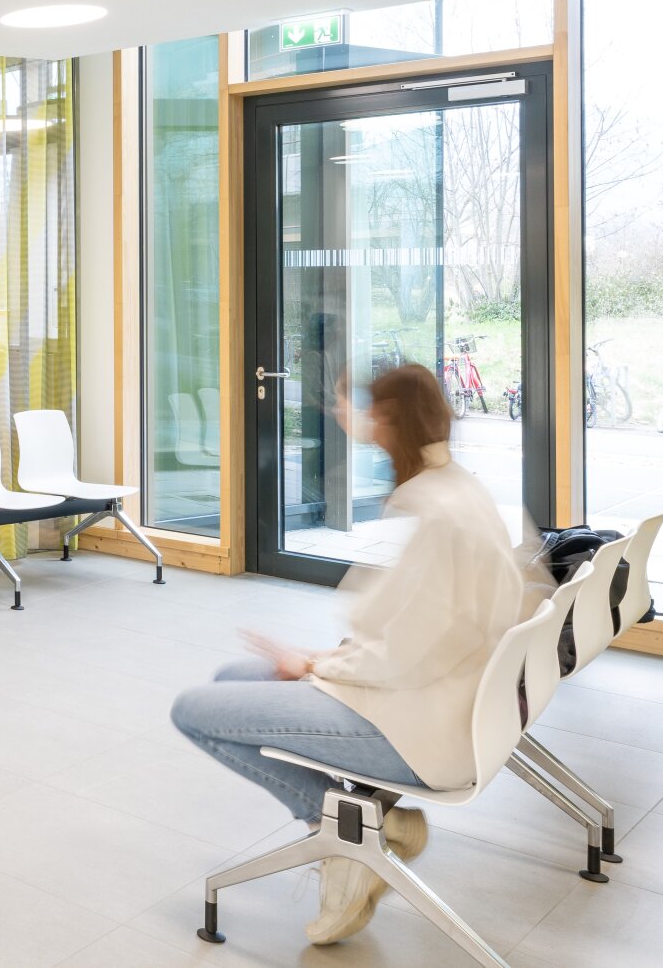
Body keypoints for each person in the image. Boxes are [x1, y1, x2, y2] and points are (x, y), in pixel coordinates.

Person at [169, 364, 527, 945]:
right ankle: (371, 820)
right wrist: (319, 659)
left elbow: (406, 654)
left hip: (419, 727)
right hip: (445, 703)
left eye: (357, 408)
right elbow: (416, 634)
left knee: (193, 708)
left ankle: (346, 835)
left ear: (384, 421)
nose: (347, 417)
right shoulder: (458, 487)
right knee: (234, 677)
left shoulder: (435, 513)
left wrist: (313, 666)